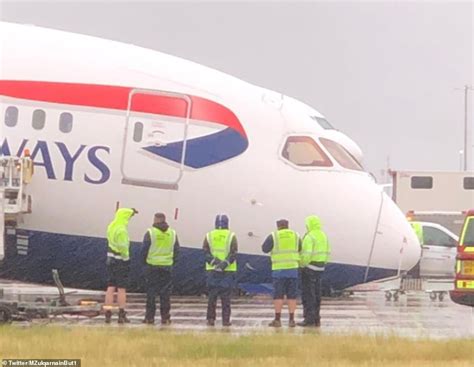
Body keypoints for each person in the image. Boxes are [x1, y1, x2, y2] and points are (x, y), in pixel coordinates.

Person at [262, 219, 301, 327]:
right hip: (293, 270)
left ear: (278, 226)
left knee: (278, 296)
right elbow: (300, 248)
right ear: (288, 226)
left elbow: (264, 249)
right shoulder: (296, 235)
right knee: (292, 296)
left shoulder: (274, 236)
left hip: (279, 271)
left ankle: (277, 319)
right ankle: (291, 320)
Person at [142, 212, 180, 325]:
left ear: (155, 220)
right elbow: (177, 250)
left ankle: (149, 317)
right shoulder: (172, 233)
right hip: (167, 267)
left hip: (152, 266)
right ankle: (165, 317)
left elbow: (144, 250)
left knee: (151, 293)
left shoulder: (150, 233)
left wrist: (144, 263)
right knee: (165, 294)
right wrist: (172, 262)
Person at [104, 207, 137, 324]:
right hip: (120, 261)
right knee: (121, 288)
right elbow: (123, 247)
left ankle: (107, 313)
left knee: (110, 287)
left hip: (110, 259)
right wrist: (126, 258)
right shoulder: (122, 230)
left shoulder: (111, 226)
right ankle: (121, 314)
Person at [203, 214, 238, 327]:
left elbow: (205, 252)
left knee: (212, 297)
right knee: (226, 298)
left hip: (212, 270)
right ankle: (226, 320)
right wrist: (224, 264)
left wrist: (215, 262)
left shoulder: (209, 236)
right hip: (227, 270)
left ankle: (211, 319)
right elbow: (234, 253)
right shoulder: (231, 236)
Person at [298, 215, 330, 327]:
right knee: (317, 294)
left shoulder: (309, 237)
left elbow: (306, 254)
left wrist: (301, 265)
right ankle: (317, 318)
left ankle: (309, 319)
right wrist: (323, 263)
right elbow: (328, 251)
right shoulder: (323, 236)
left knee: (308, 294)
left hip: (309, 268)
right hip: (320, 268)